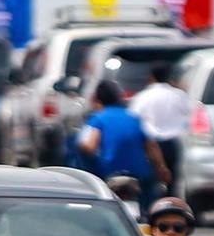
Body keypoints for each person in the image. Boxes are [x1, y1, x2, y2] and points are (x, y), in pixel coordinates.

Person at [77, 79, 170, 208]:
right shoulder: (134, 118)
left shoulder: (97, 119)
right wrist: (162, 169)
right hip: (138, 175)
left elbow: (89, 146)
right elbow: (151, 146)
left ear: (97, 100)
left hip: (107, 173)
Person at [130, 62, 194, 193]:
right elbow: (190, 114)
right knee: (172, 181)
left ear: (151, 77)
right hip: (172, 143)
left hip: (150, 144)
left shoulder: (142, 96)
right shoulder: (178, 95)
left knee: (151, 181)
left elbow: (133, 118)